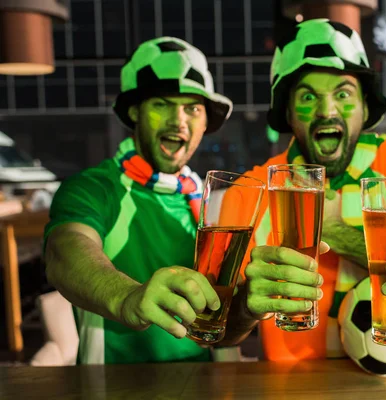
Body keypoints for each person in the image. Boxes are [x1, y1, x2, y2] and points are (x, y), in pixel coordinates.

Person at [221, 18, 386, 362]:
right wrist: (247, 305)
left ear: (365, 109)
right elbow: (216, 336)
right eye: (308, 96)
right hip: (290, 386)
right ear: (288, 112)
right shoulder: (249, 192)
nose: (327, 111)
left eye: (343, 94)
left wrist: (337, 233)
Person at [43, 37, 253, 364]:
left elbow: (227, 330)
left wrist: (251, 305)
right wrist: (129, 297)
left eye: (192, 108)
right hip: (116, 388)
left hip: (210, 385)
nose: (178, 120)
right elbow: (64, 252)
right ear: (134, 111)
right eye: (162, 104)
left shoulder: (213, 199)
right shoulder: (95, 187)